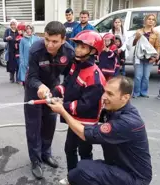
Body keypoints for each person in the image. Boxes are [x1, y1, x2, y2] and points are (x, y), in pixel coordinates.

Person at [47, 76, 152, 185]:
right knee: (83, 167)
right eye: (105, 92)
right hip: (119, 166)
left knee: (82, 171)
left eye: (110, 94)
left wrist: (63, 111)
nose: (104, 97)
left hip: (134, 177)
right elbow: (89, 115)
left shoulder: (127, 122)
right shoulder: (114, 109)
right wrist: (62, 102)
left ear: (125, 97)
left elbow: (85, 134)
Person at [49, 30, 107, 184]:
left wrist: (63, 106)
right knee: (69, 149)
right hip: (73, 119)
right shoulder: (77, 65)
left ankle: (85, 179)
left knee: (85, 153)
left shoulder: (95, 77)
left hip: (86, 124)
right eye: (77, 45)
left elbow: (85, 106)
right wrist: (56, 91)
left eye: (82, 47)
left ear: (93, 51)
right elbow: (67, 83)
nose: (77, 49)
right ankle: (72, 178)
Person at [23, 21, 75, 179]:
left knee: (49, 125)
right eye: (46, 39)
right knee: (34, 128)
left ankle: (46, 154)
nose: (49, 45)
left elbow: (69, 77)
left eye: (54, 41)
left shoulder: (69, 52)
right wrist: (39, 86)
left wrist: (62, 91)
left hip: (53, 90)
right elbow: (31, 76)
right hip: (34, 90)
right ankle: (36, 160)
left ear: (63, 40)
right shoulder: (36, 50)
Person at [132, 14, 160, 98]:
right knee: (138, 76)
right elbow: (133, 44)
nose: (151, 21)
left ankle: (143, 92)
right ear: (145, 21)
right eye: (149, 19)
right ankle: (136, 92)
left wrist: (156, 57)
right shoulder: (139, 31)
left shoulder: (156, 33)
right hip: (138, 57)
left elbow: (157, 46)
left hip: (149, 58)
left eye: (153, 19)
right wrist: (137, 37)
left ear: (155, 22)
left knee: (146, 77)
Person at [3, 19, 19, 83]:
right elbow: (4, 39)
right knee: (11, 64)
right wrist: (7, 38)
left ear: (16, 24)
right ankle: (11, 78)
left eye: (14, 24)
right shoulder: (8, 30)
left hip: (18, 50)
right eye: (11, 24)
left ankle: (18, 79)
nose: (13, 26)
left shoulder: (18, 31)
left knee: (18, 64)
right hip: (10, 50)